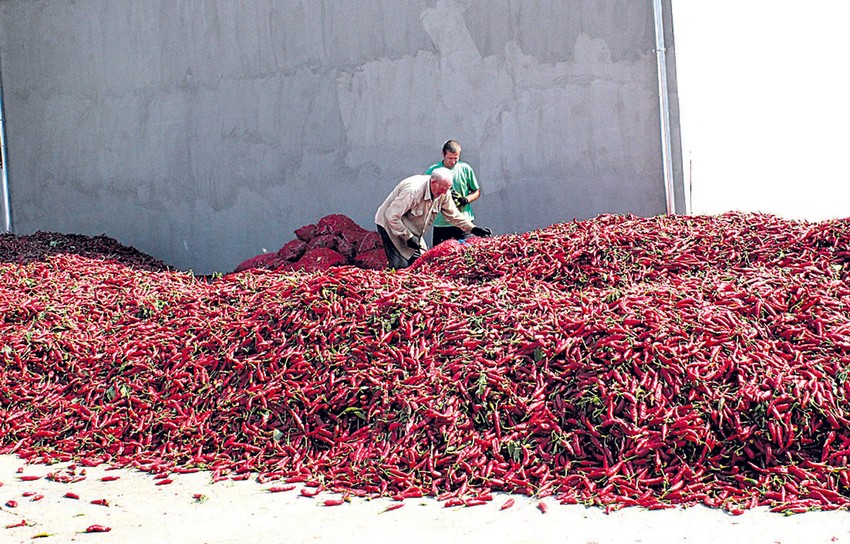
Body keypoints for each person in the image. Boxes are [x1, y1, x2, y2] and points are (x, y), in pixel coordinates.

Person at [375, 167, 492, 269]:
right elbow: (391, 216)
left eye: (447, 189)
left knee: (422, 262)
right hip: (391, 225)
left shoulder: (444, 192)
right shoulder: (413, 191)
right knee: (401, 264)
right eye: (442, 188)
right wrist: (408, 237)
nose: (444, 192)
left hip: (412, 229)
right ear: (433, 182)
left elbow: (453, 215)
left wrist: (473, 229)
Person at [425, 140, 481, 246]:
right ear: (443, 154)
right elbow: (427, 193)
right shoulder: (433, 170)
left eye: (456, 158)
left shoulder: (465, 168)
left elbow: (476, 191)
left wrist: (466, 199)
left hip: (463, 221)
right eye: (450, 158)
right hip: (441, 223)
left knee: (465, 254)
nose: (453, 162)